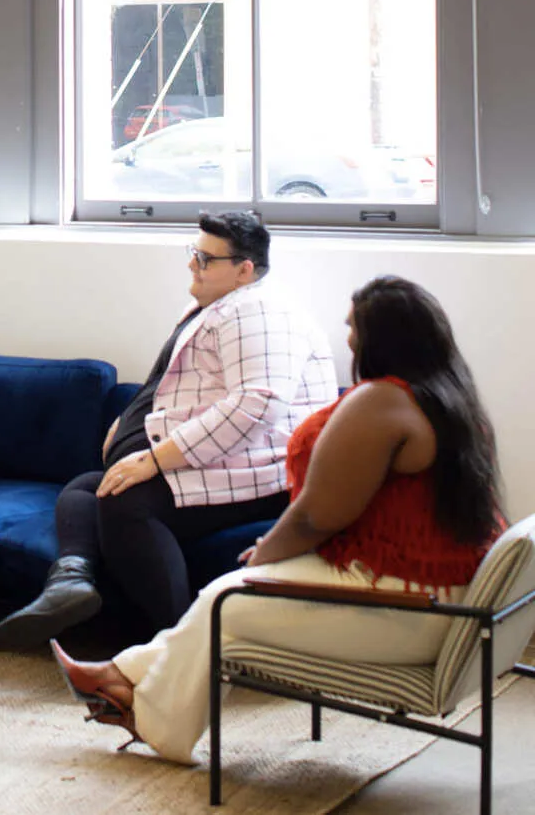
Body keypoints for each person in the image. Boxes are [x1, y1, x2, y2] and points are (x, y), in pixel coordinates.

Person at [51, 275, 505, 765]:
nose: (349, 339)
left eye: (354, 327)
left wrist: (266, 555)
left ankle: (144, 711)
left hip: (408, 604)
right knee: (225, 599)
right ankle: (122, 680)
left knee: (226, 603)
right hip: (436, 592)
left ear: (383, 337)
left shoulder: (382, 402)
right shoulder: (450, 399)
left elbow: (316, 516)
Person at [0, 211, 337, 646]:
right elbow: (186, 389)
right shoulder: (219, 307)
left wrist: (156, 459)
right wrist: (130, 421)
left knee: (125, 502)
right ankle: (70, 581)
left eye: (206, 258)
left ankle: (178, 645)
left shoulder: (259, 312)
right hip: (227, 462)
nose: (192, 264)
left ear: (244, 270)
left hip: (261, 473)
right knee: (84, 489)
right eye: (194, 252)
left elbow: (258, 404)